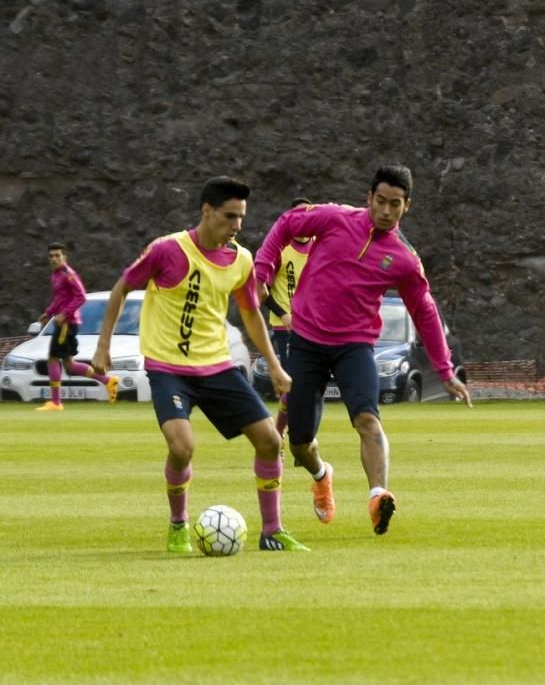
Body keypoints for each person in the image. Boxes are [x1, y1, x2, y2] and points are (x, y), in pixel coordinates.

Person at [91, 176, 310, 554]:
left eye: (241, 217)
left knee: (271, 441)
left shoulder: (240, 260)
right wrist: (102, 347)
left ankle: (272, 530)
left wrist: (274, 366)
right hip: (168, 368)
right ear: (206, 211)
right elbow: (122, 287)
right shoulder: (166, 250)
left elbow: (252, 314)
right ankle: (178, 525)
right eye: (229, 216)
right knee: (182, 447)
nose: (237, 225)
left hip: (218, 367)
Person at [254, 164, 472, 536]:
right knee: (300, 444)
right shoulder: (334, 219)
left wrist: (445, 369)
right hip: (304, 342)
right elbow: (289, 222)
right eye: (381, 201)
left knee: (368, 420)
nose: (386, 211)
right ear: (369, 198)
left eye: (396, 204)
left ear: (408, 206)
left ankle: (378, 495)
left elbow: (424, 310)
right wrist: (262, 270)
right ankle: (322, 475)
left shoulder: (404, 259)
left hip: (354, 347)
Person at [35, 242, 119, 412]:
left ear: (64, 257)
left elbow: (81, 297)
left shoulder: (68, 274)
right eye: (51, 256)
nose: (53, 259)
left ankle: (56, 402)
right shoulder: (56, 275)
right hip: (64, 322)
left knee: (53, 358)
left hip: (67, 323)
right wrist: (49, 312)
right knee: (69, 364)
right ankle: (107, 381)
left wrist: (64, 314)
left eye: (57, 255)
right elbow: (60, 298)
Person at [262, 197, 314, 439]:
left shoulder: (319, 246)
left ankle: (292, 433)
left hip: (314, 327)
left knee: (305, 385)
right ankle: (281, 433)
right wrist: (283, 314)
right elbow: (261, 290)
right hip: (286, 328)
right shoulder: (281, 249)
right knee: (294, 383)